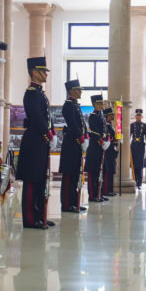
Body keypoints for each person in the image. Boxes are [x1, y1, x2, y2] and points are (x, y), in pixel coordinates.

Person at [16, 56, 56, 228]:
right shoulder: (31, 94)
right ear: (34, 72)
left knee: (40, 179)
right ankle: (31, 219)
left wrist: (52, 133)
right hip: (34, 141)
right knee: (32, 181)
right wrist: (48, 135)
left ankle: (40, 215)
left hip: (41, 141)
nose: (46, 74)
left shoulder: (40, 93)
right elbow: (37, 119)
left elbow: (47, 118)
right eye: (43, 71)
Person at [59, 79, 87, 213]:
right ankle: (66, 204)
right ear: (71, 91)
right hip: (71, 144)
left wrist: (85, 136)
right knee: (69, 175)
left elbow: (82, 124)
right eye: (78, 89)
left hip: (76, 144)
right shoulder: (68, 105)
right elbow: (73, 125)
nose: (81, 92)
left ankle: (74, 202)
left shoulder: (75, 105)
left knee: (76, 174)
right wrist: (81, 139)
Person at [84, 95, 108, 202]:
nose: (103, 106)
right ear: (95, 105)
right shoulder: (93, 116)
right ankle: (92, 195)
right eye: (100, 104)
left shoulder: (102, 116)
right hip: (94, 148)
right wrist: (102, 142)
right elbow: (94, 133)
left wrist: (107, 140)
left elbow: (105, 131)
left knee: (100, 172)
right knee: (92, 172)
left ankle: (100, 193)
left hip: (101, 148)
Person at [130, 108, 146, 188]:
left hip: (141, 146)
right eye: (137, 115)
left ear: (142, 116)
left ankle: (139, 182)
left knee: (140, 165)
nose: (138, 117)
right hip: (134, 146)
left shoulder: (145, 126)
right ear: (135, 116)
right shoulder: (132, 125)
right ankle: (134, 180)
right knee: (134, 165)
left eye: (140, 116)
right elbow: (129, 136)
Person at [102, 107, 118, 197]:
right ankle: (106, 190)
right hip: (107, 151)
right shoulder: (106, 126)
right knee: (108, 171)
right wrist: (114, 139)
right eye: (112, 115)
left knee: (111, 170)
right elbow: (106, 138)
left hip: (111, 150)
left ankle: (110, 189)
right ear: (108, 116)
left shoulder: (110, 125)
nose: (113, 116)